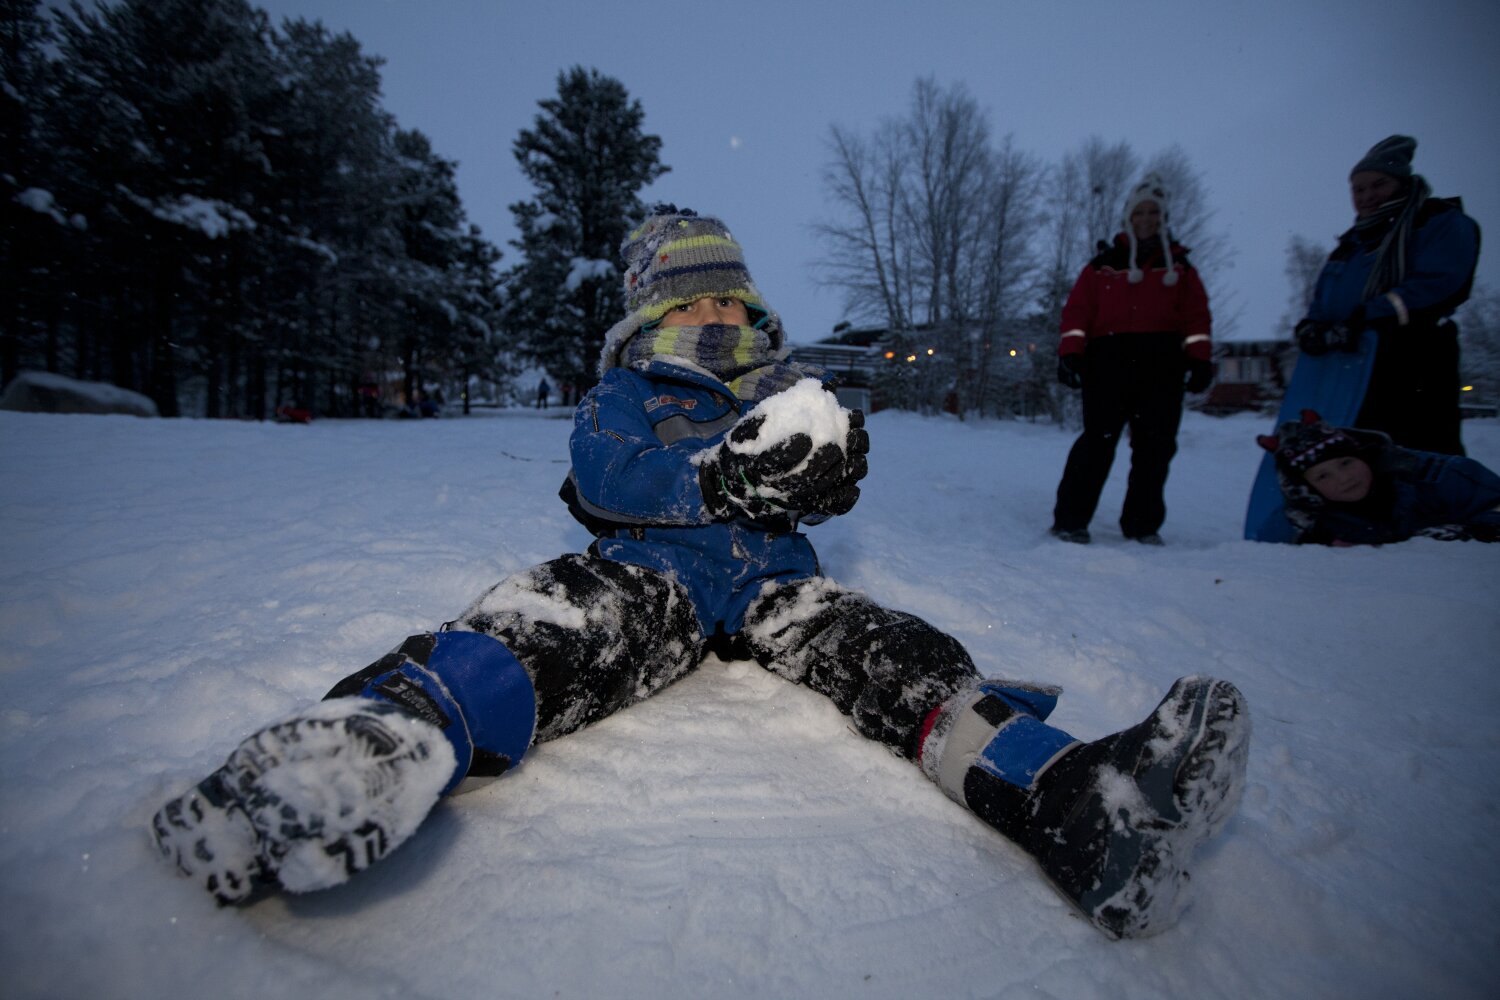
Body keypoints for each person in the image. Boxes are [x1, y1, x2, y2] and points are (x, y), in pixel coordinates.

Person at [149, 206, 1250, 940]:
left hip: (771, 587)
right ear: (652, 316)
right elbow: (604, 476)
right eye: (696, 304)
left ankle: (1067, 795)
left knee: (891, 651)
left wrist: (814, 479)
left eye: (732, 301)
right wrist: (720, 479)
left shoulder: (787, 389)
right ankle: (387, 736)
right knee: (556, 624)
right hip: (655, 574)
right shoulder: (625, 393)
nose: (720, 317)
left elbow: (808, 484)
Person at [1050, 173, 1215, 546]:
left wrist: (1200, 359)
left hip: (1162, 364)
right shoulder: (1102, 265)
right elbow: (1077, 313)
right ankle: (1070, 521)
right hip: (1109, 362)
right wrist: (1070, 354)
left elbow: (1196, 318)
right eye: (1139, 211)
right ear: (1128, 216)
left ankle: (1142, 525)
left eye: (1153, 212)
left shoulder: (1182, 269)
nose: (1146, 218)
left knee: (1155, 447)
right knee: (1097, 442)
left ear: (1163, 217)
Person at [1293, 135, 1481, 456]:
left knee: (1418, 454)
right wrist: (1312, 326)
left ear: (1402, 183)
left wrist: (1368, 316)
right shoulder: (1352, 245)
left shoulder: (1436, 222)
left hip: (1415, 359)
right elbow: (1325, 297)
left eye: (1378, 185)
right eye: (1358, 189)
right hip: (1352, 366)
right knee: (1359, 458)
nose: (1367, 196)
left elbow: (1439, 284)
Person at [1256, 409, 1500, 545]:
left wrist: (1470, 532)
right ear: (1307, 489)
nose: (1343, 478)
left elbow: (1492, 506)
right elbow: (1269, 552)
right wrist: (1315, 540)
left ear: (1363, 456)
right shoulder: (1314, 515)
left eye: (1346, 462)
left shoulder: (1438, 477)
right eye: (1322, 476)